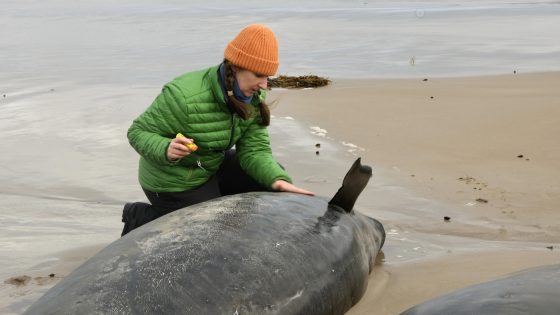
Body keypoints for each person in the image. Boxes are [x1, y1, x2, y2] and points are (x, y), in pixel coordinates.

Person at [121, 24, 314, 236]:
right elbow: (137, 132)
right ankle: (142, 217)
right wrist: (165, 148)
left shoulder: (252, 97)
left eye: (267, 77)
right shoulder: (185, 96)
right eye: (259, 75)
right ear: (237, 66)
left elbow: (254, 151)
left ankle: (218, 203)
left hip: (209, 166)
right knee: (210, 232)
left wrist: (277, 180)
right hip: (172, 181)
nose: (264, 85)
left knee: (267, 181)